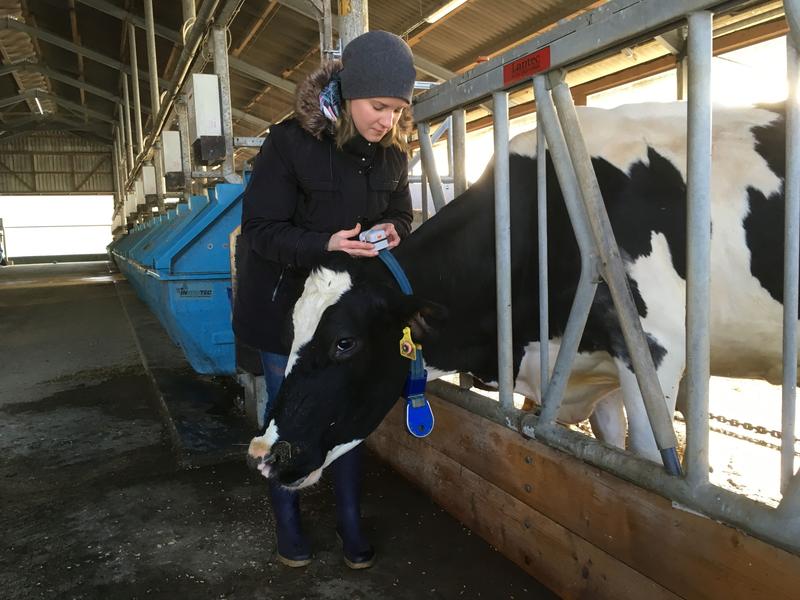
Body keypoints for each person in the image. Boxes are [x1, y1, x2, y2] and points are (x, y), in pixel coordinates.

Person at [232, 30, 416, 569]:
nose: (387, 120)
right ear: (349, 90)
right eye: (379, 106)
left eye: (398, 109)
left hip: (344, 313)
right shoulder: (289, 142)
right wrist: (326, 243)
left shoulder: (390, 154)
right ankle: (288, 522)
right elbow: (260, 229)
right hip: (286, 309)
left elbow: (401, 211)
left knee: (345, 409)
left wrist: (393, 231)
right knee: (286, 413)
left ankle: (349, 519)